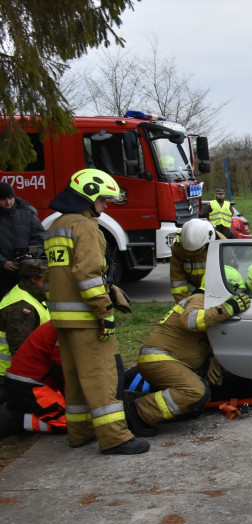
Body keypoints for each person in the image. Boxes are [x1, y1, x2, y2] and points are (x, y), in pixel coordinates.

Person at [43, 169, 147, 455]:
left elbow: (52, 277)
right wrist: (104, 312)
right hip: (87, 318)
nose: (105, 205)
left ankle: (80, 432)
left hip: (64, 319)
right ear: (88, 197)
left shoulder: (56, 226)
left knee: (76, 378)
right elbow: (88, 275)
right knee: (102, 376)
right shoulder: (86, 227)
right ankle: (115, 437)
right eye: (102, 199)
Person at [132, 271, 251, 433]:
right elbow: (190, 320)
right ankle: (137, 413)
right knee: (195, 392)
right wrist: (228, 308)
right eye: (235, 293)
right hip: (160, 359)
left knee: (194, 406)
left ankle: (142, 407)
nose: (236, 297)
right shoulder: (199, 299)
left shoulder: (207, 306)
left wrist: (215, 361)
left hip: (167, 360)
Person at [3, 321, 65, 436]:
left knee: (79, 416)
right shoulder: (66, 327)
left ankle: (21, 413)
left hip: (30, 382)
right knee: (74, 422)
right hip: (28, 385)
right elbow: (60, 369)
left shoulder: (65, 323)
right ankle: (15, 419)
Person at [0, 259, 49, 405]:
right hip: (7, 378)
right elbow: (22, 351)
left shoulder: (36, 297)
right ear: (34, 279)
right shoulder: (21, 308)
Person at [0, 181, 46, 295]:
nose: (8, 202)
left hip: (26, 270)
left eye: (10, 198)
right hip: (2, 274)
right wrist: (3, 263)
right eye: (3, 199)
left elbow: (40, 238)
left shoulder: (27, 213)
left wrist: (30, 253)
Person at [169, 219, 217, 301]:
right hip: (190, 296)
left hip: (215, 295)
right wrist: (184, 305)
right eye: (188, 251)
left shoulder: (220, 244)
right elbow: (178, 283)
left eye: (196, 251)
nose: (193, 254)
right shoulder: (178, 249)